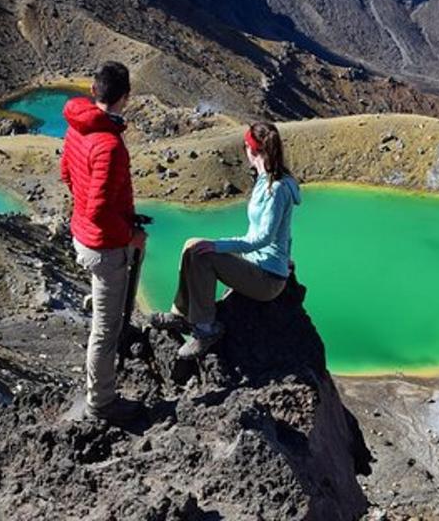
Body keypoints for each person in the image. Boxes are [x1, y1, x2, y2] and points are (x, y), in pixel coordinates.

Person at [151, 121, 300, 358]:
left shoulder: (277, 189)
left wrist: (217, 245)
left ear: (252, 150)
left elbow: (262, 238)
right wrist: (215, 243)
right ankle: (180, 314)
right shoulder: (265, 179)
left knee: (204, 257)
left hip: (268, 278)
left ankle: (205, 329)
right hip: (255, 261)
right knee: (192, 245)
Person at [60, 61, 146, 423]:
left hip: (84, 236)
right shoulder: (109, 144)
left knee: (105, 317)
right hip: (105, 246)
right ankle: (101, 403)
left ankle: (101, 390)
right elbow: (99, 211)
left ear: (94, 91)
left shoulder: (76, 128)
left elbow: (66, 175)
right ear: (125, 97)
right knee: (106, 331)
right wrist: (130, 234)